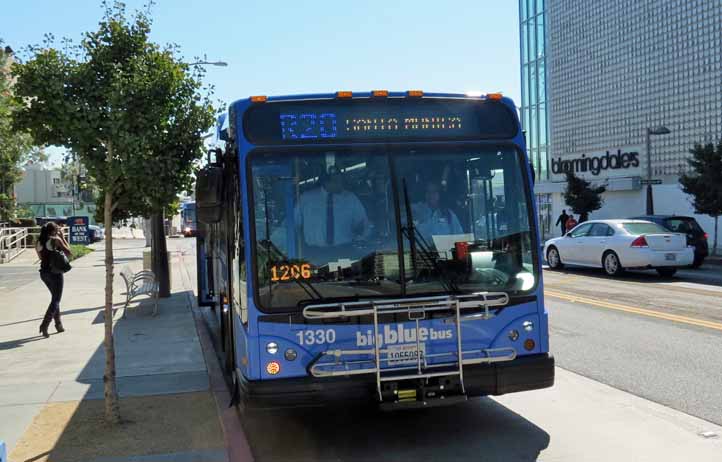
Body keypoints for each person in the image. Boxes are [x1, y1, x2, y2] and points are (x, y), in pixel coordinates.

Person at [296, 166, 369, 248]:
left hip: (345, 250)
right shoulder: (306, 198)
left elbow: (363, 223)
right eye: (336, 181)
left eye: (341, 181)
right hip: (315, 252)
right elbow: (294, 223)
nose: (341, 184)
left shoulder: (350, 198)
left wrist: (360, 239)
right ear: (326, 182)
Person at [35, 222, 72, 338]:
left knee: (54, 299)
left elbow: (40, 257)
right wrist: (62, 238)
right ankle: (45, 325)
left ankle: (58, 325)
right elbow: (69, 253)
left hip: (44, 273)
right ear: (53, 231)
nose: (58, 231)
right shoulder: (55, 239)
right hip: (55, 273)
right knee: (56, 300)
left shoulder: (38, 242)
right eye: (57, 229)